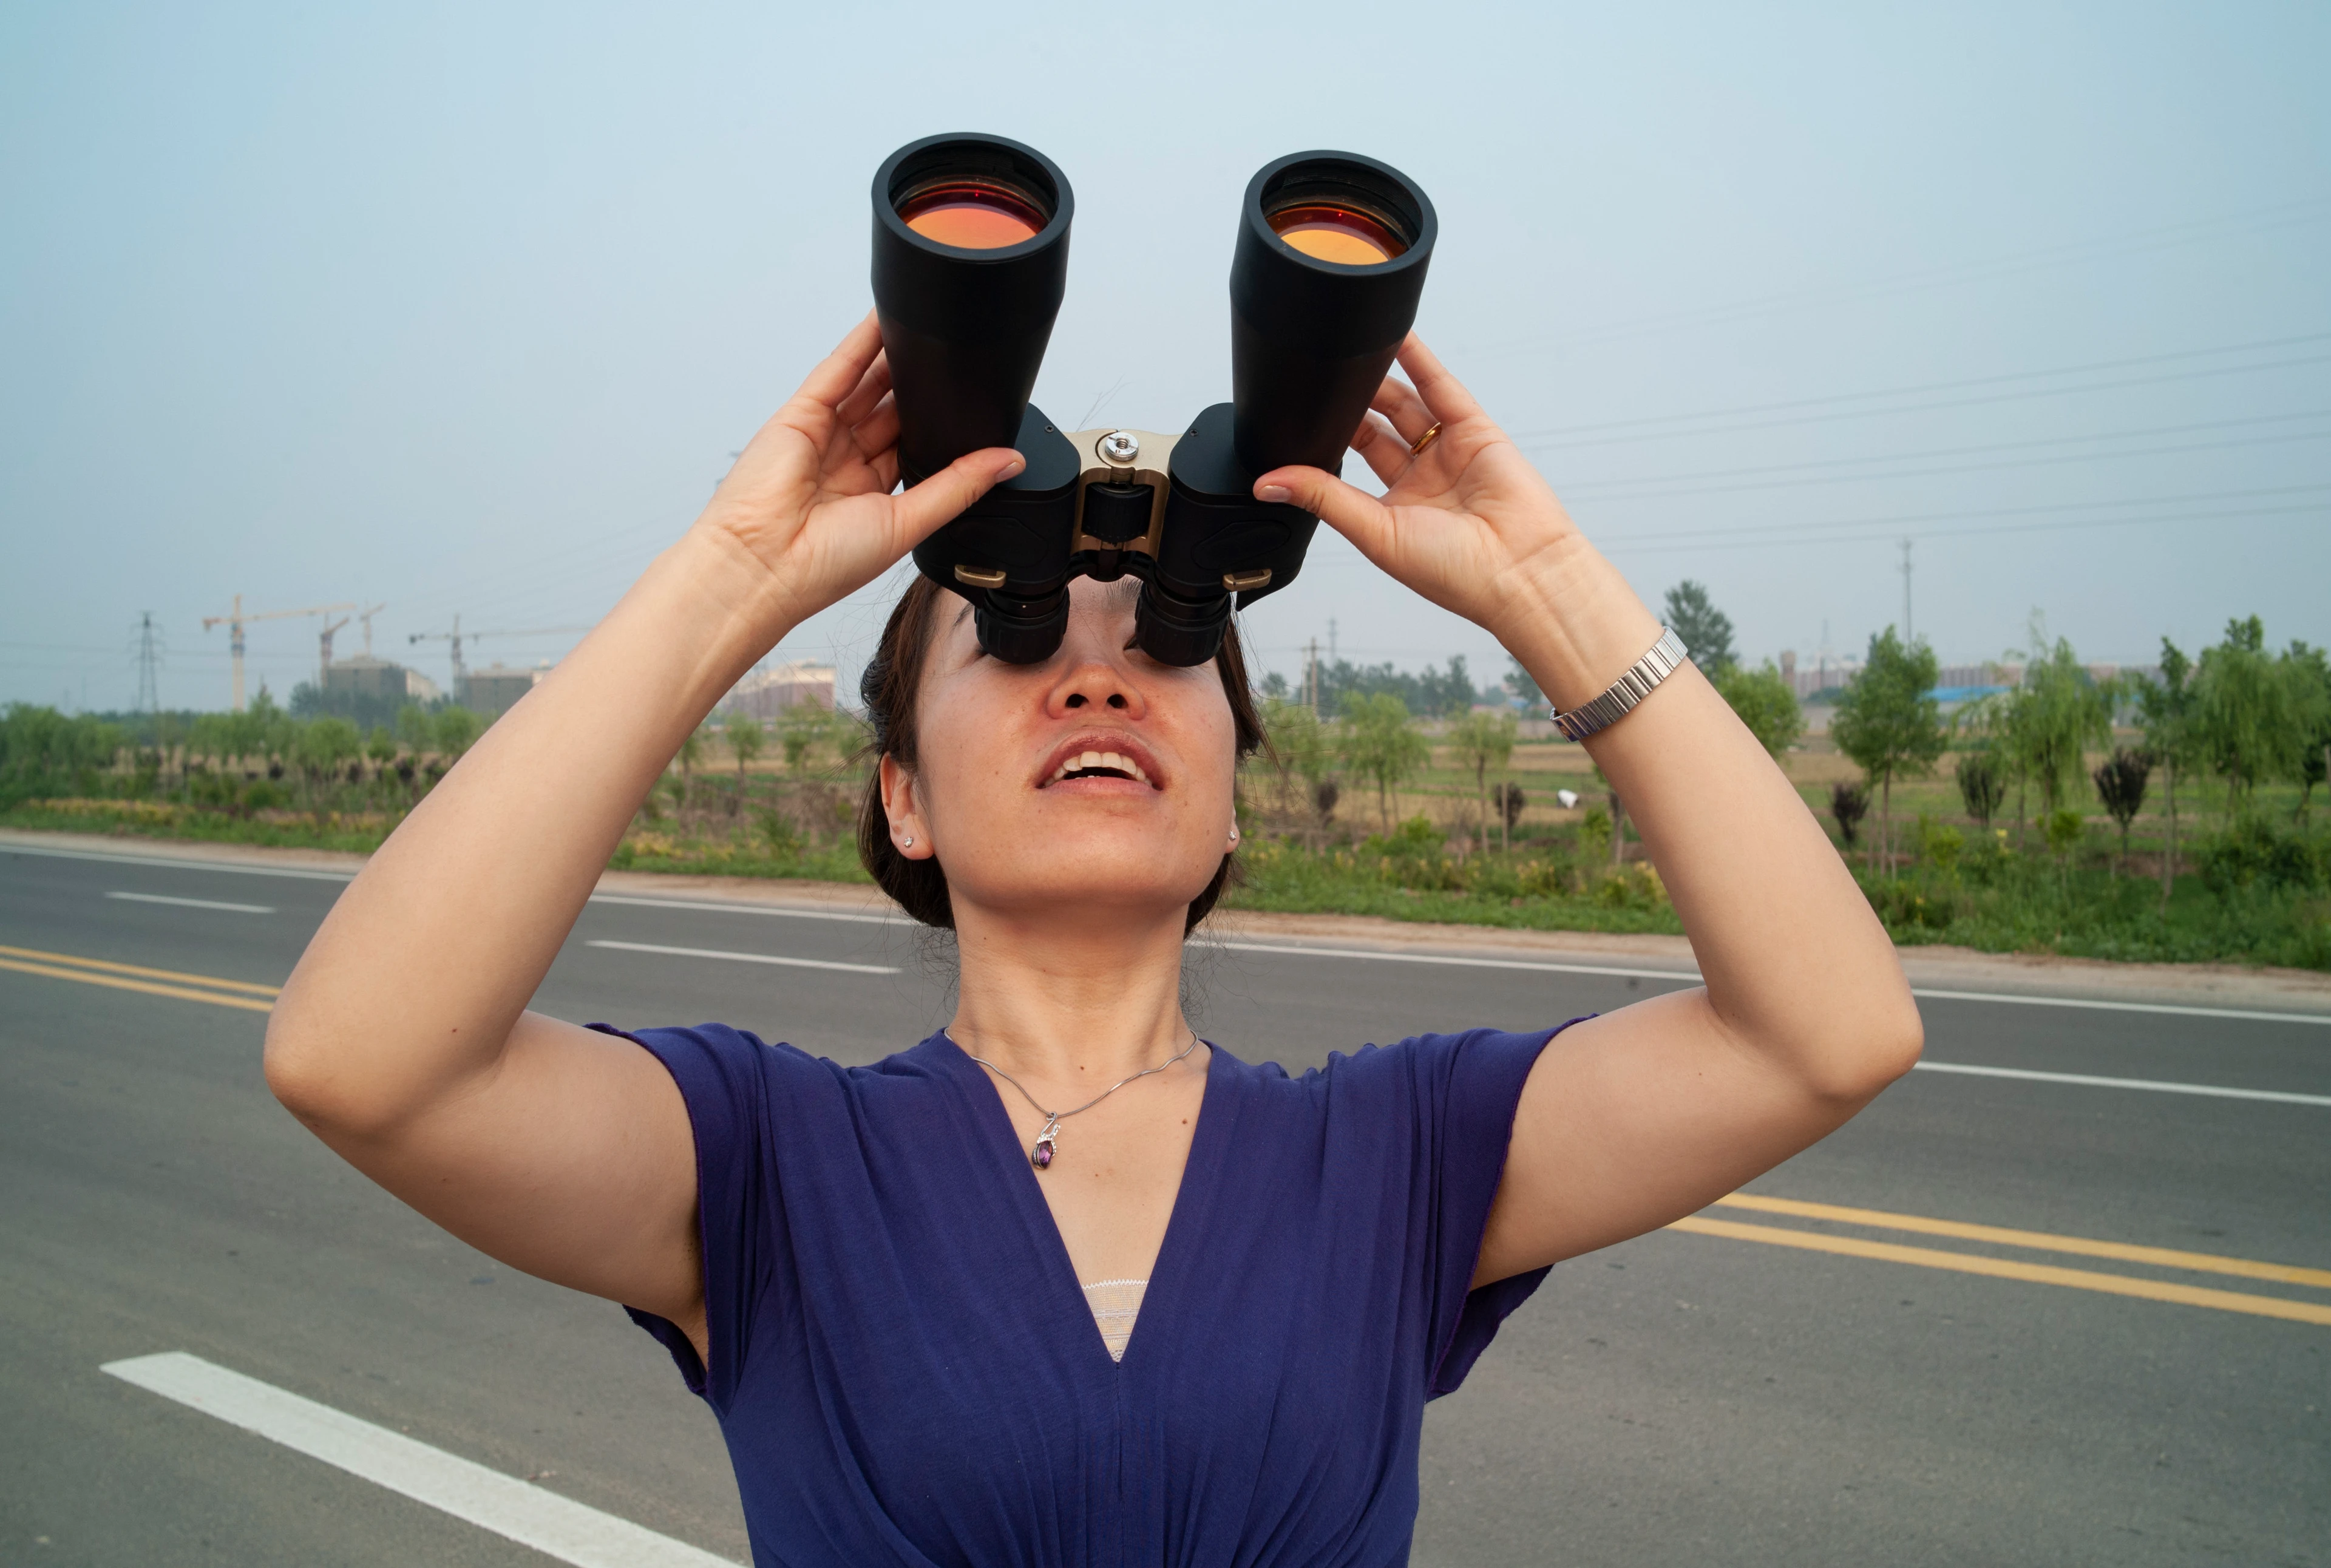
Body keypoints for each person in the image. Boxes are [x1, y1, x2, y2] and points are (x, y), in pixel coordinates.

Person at [265, 314, 1922, 1566]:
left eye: (1174, 635)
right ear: (902, 797)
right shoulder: (770, 1163)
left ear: (1229, 803)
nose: (1099, 667)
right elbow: (365, 1062)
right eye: (1018, 625)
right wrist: (727, 580)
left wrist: (1547, 584)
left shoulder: (1395, 1156)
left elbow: (1827, 1030)